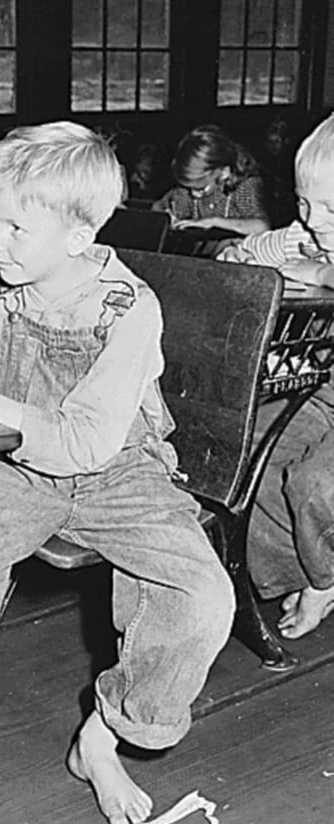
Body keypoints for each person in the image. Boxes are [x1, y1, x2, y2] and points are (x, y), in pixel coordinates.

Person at [0, 121, 235, 824]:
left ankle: (104, 736)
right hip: (25, 469)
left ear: (77, 236)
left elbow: (89, 438)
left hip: (120, 468)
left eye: (13, 226)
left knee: (203, 594)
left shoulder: (130, 308)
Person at [217, 111, 334, 639]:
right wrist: (237, 254)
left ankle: (325, 579)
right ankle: (301, 568)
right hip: (323, 388)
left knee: (317, 485)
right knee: (258, 451)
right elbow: (252, 252)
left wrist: (322, 273)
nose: (316, 221)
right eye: (306, 203)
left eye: (333, 208)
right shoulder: (311, 233)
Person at [153, 124, 270, 236]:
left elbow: (261, 227)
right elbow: (157, 206)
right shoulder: (187, 190)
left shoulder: (244, 185)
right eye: (190, 188)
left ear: (224, 173)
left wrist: (214, 222)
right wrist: (167, 216)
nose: (194, 194)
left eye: (200, 189)